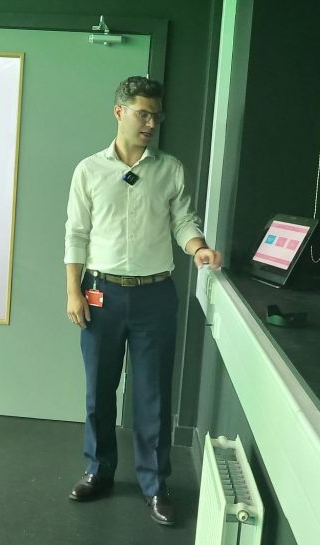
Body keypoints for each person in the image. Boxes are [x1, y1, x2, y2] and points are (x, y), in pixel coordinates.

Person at [63, 76, 222, 526]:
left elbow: (183, 220)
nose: (151, 122)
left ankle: (156, 485)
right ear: (120, 112)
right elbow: (75, 233)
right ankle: (98, 470)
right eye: (142, 113)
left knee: (153, 394)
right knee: (98, 390)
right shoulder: (89, 170)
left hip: (155, 294)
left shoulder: (169, 169)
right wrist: (73, 290)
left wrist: (198, 248)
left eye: (155, 115)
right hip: (101, 292)